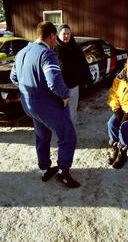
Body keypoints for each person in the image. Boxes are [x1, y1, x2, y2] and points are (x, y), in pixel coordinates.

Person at [10, 21, 80, 188]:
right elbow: (54, 80)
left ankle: (45, 169)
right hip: (47, 105)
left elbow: (13, 77)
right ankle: (63, 173)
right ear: (51, 36)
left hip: (28, 105)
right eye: (55, 38)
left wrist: (28, 92)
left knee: (42, 136)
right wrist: (64, 95)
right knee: (68, 136)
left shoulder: (21, 53)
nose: (55, 42)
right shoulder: (47, 54)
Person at [54, 24, 93, 123]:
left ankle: (70, 133)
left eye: (68, 34)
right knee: (60, 113)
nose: (66, 36)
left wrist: (88, 79)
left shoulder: (76, 48)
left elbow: (84, 65)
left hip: (74, 86)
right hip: (60, 88)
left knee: (71, 113)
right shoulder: (54, 49)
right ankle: (62, 133)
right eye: (64, 34)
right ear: (58, 35)